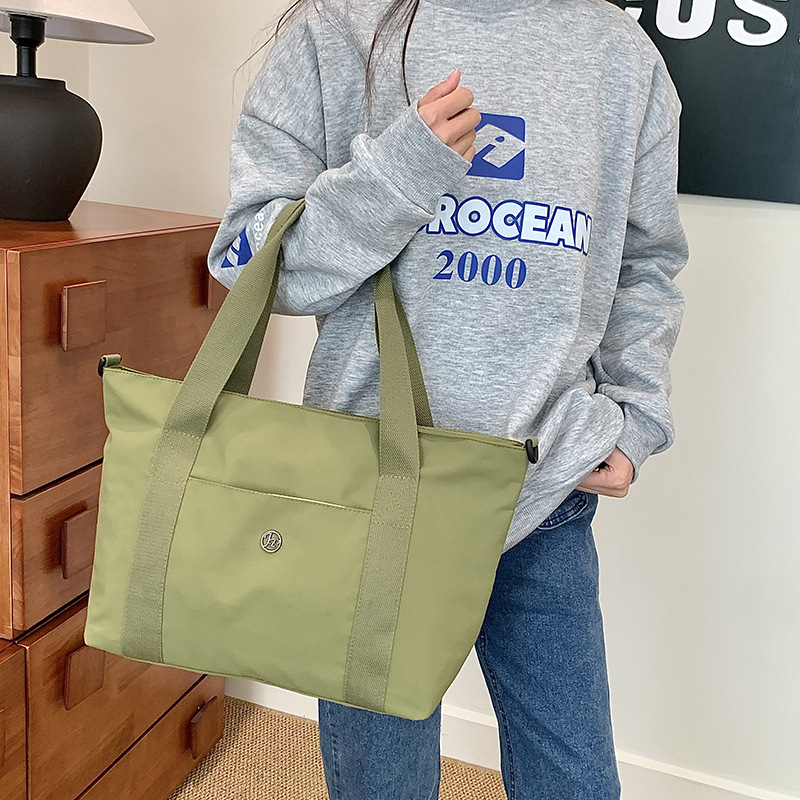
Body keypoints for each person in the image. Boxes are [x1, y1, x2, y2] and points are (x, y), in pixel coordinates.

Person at [207, 0, 690, 797]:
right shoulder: (339, 27)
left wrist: (637, 413)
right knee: (382, 782)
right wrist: (395, 176)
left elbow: (645, 262)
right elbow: (249, 262)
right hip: (371, 492)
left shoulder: (620, 51)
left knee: (574, 779)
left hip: (545, 482)